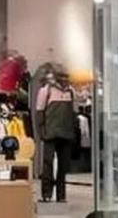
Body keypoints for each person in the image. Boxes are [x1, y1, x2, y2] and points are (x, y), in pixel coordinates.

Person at [36, 65, 75, 203]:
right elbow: (39, 112)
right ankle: (46, 194)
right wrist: (41, 132)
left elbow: (73, 113)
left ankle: (61, 195)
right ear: (57, 77)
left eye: (66, 77)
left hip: (66, 133)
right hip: (50, 133)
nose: (65, 79)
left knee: (63, 167)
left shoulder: (71, 91)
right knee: (48, 164)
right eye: (62, 76)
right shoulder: (46, 90)